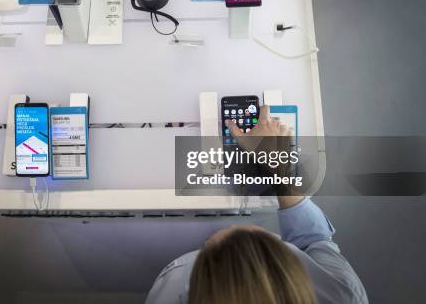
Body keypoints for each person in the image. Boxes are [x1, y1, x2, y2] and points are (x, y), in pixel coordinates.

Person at [145, 106, 368, 304]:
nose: (233, 230)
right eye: (265, 247)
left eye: (221, 254)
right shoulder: (342, 294)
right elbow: (314, 239)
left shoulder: (170, 292)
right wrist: (281, 167)